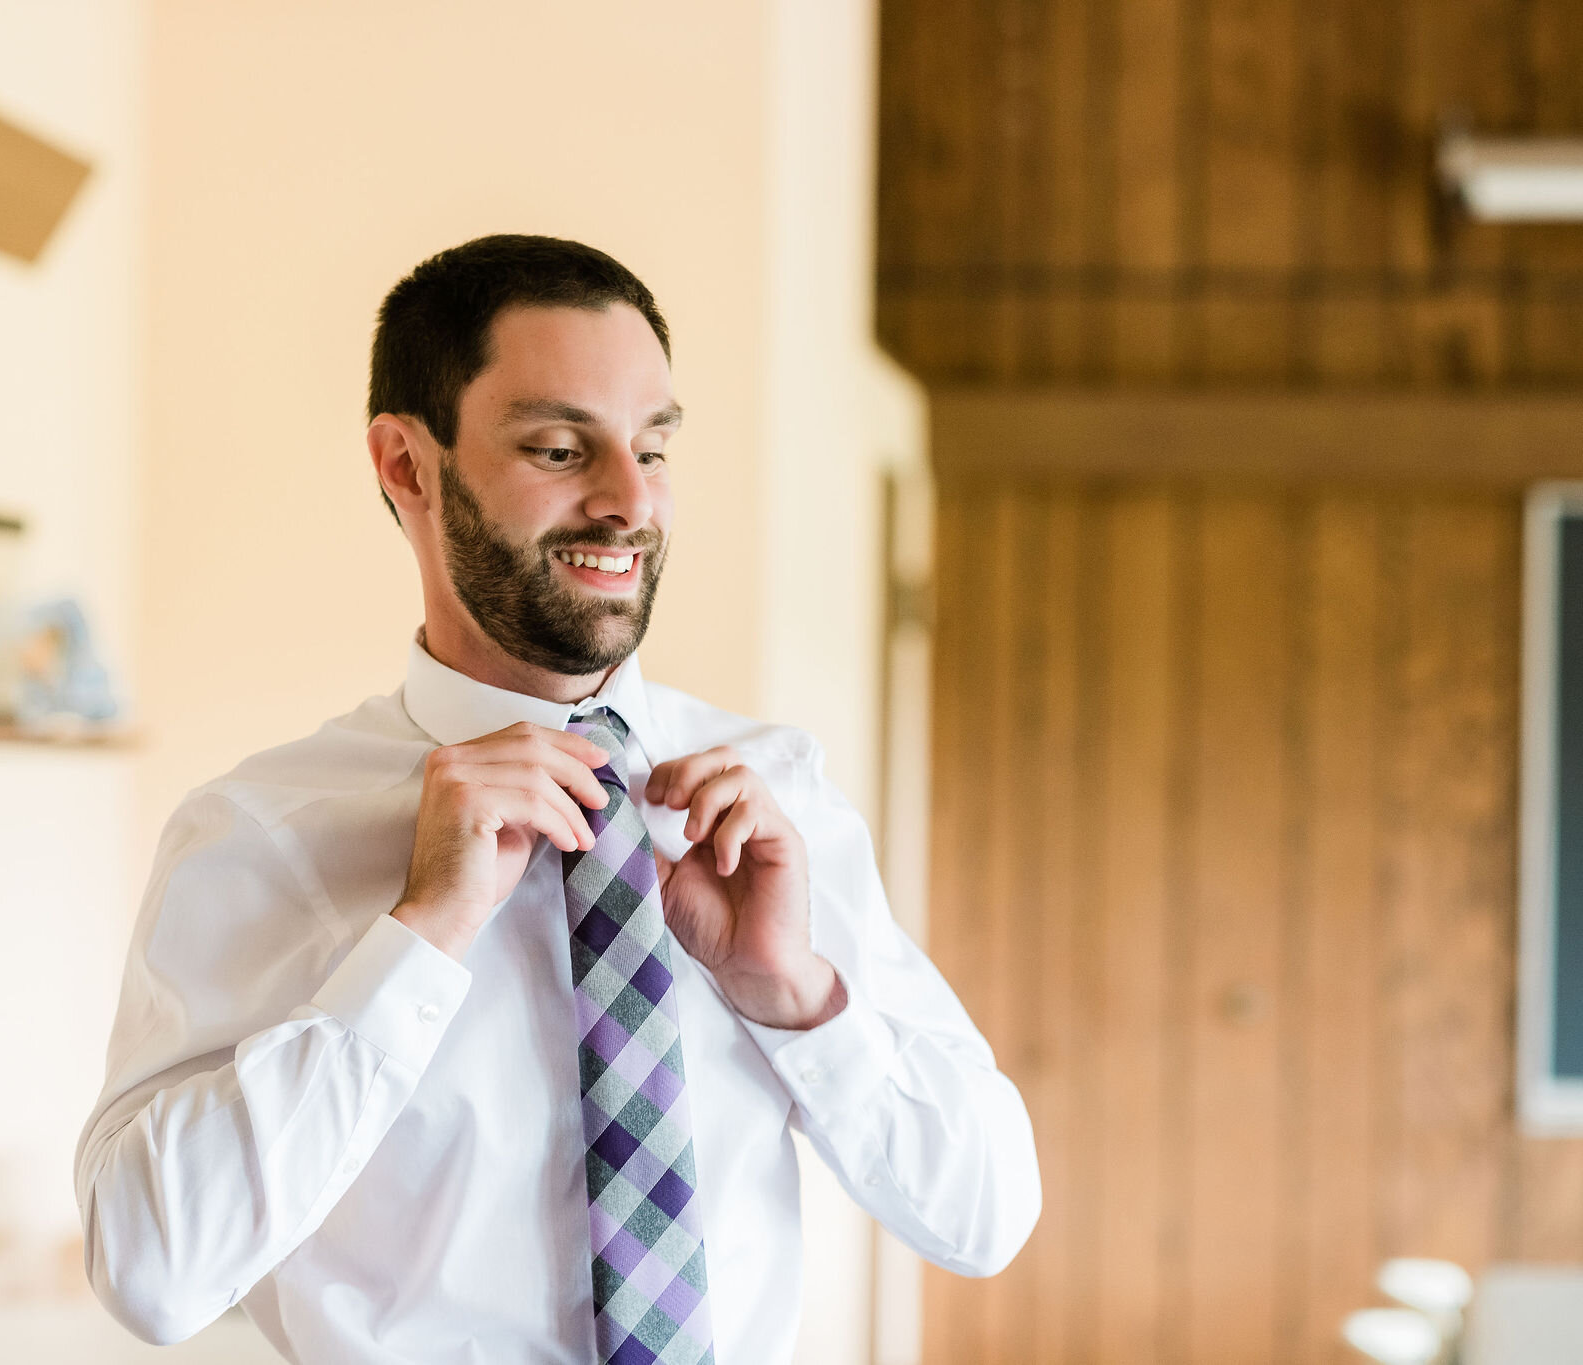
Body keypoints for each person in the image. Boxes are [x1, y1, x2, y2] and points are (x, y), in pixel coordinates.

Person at [74, 235, 1040, 1363]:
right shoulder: (261, 833)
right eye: (557, 447)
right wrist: (418, 939)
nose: (629, 502)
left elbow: (982, 1217)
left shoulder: (771, 794)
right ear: (406, 465)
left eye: (654, 446)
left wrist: (793, 992)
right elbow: (148, 1272)